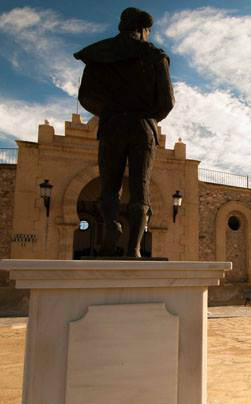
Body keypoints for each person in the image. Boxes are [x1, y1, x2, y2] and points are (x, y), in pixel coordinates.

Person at [74, 7, 175, 257]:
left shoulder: (99, 54)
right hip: (142, 127)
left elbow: (86, 96)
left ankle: (111, 229)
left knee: (110, 186)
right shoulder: (154, 56)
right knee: (140, 188)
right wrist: (147, 116)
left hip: (111, 126)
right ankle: (135, 249)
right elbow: (167, 102)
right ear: (142, 29)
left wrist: (109, 111)